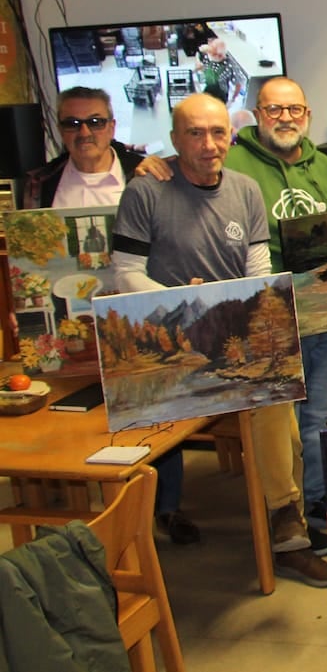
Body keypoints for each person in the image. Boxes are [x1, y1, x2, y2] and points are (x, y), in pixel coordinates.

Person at [111, 93, 327, 586]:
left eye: (218, 133)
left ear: (231, 137)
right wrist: (183, 301)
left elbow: (259, 270)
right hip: (165, 344)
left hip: (232, 338)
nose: (209, 144)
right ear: (175, 139)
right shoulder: (147, 191)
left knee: (278, 400)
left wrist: (230, 305)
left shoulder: (246, 189)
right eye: (195, 133)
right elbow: (124, 273)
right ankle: (131, 530)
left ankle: (286, 531)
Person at [17, 87, 196, 545]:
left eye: (95, 121)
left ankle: (166, 508)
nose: (84, 132)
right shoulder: (39, 182)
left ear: (112, 125)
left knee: (153, 402)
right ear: (59, 130)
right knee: (71, 413)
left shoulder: (147, 171)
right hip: (68, 316)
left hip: (134, 307)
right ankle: (85, 522)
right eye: (72, 124)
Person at [222, 77, 327, 534]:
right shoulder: (233, 163)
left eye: (294, 110)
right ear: (258, 114)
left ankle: (314, 503)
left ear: (308, 115)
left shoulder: (326, 167)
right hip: (266, 314)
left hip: (324, 307)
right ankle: (284, 511)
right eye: (274, 110)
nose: (285, 118)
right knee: (282, 421)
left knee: (316, 411)